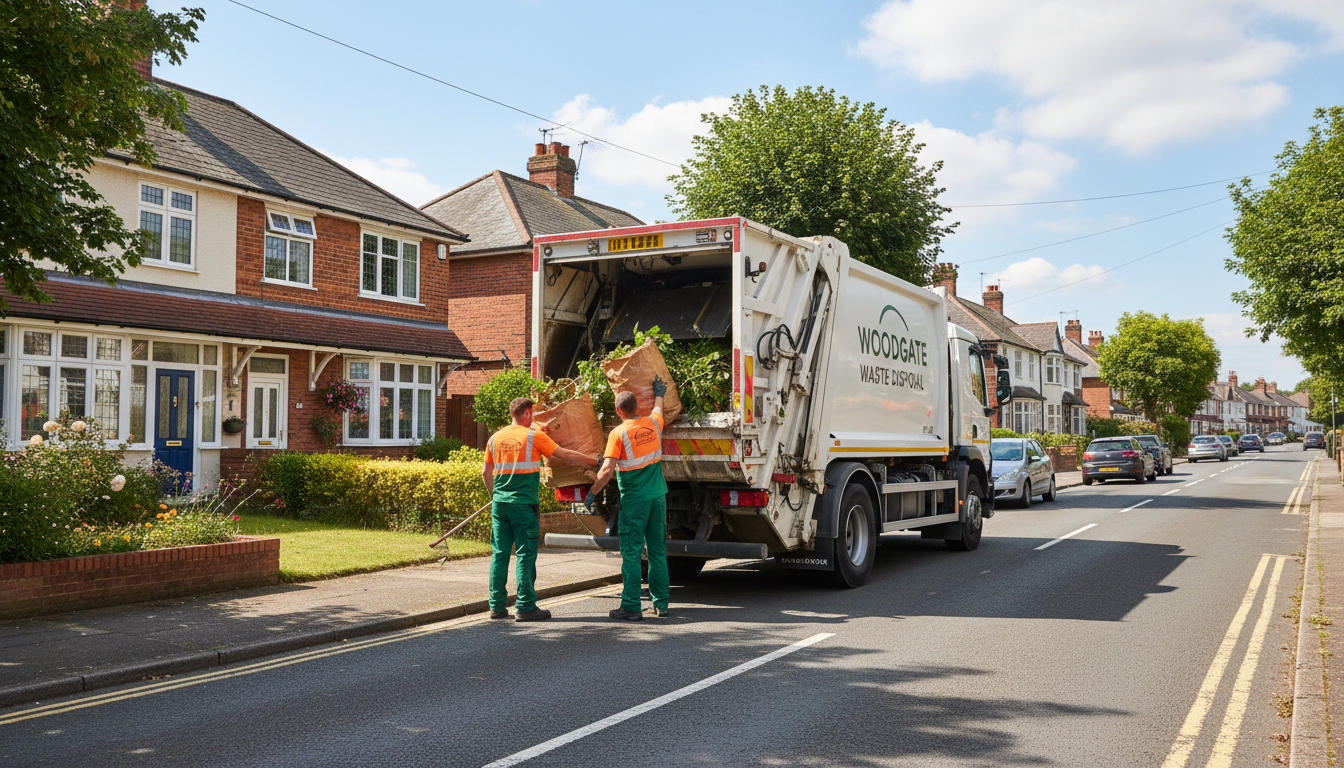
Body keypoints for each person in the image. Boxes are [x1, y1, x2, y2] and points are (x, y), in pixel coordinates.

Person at [483, 397, 599, 621]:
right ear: (526, 413)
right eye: (531, 414)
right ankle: (525, 606)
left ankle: (496, 606)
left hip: (500, 505)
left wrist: (494, 495)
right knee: (525, 554)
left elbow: (486, 473)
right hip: (523, 505)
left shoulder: (494, 438)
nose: (533, 418)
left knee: (500, 554)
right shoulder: (533, 436)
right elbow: (563, 454)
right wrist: (594, 462)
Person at [585, 376, 671, 621]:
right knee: (657, 552)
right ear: (637, 408)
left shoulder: (618, 433)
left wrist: (593, 493)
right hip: (658, 498)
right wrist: (659, 393)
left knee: (632, 553)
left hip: (635, 502)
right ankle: (661, 604)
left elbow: (606, 471)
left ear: (617, 410)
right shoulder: (653, 424)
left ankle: (632, 606)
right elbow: (658, 409)